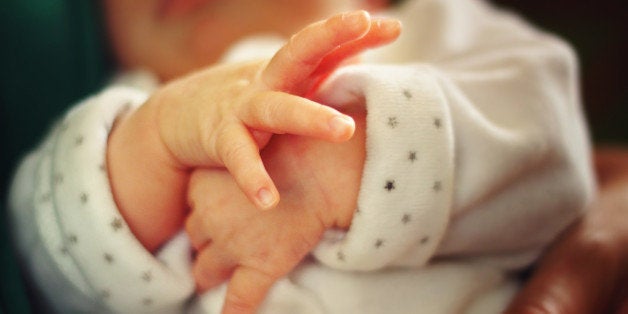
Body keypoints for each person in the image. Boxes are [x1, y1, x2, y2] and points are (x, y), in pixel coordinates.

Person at [5, 0, 602, 313]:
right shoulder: (129, 110)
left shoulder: (429, 34)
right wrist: (153, 143)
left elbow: (551, 150)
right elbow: (50, 268)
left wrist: (330, 164)